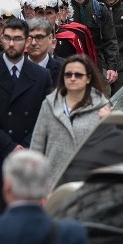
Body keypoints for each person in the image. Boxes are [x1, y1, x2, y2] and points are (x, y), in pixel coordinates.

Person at [0, 18, 51, 215]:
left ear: (26, 41)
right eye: (7, 38)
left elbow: (45, 114)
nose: (12, 43)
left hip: (30, 155)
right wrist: (10, 147)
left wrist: (25, 146)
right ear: (0, 39)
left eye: (17, 38)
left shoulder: (42, 75)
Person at [29, 55, 111, 188]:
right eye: (68, 74)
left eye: (78, 75)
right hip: (52, 183)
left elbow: (109, 148)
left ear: (88, 78)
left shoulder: (102, 107)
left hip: (87, 183)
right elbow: (37, 145)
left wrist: (108, 123)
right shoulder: (50, 104)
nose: (72, 78)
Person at [25, 18, 64, 85]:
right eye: (29, 38)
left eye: (39, 38)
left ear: (50, 38)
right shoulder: (16, 68)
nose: (33, 43)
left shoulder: (63, 69)